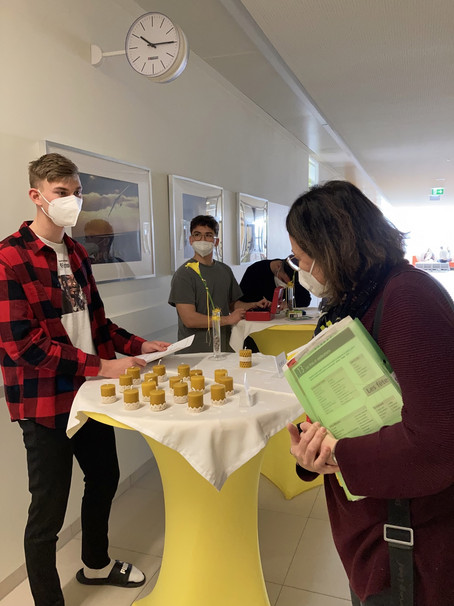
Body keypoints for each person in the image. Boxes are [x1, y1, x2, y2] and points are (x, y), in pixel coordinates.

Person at [0, 153, 171, 606]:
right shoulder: (8, 258)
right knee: (48, 511)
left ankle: (95, 565)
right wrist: (102, 366)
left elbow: (96, 323)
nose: (73, 202)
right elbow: (24, 345)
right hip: (44, 401)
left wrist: (138, 346)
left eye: (77, 193)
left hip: (89, 393)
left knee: (104, 476)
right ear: (37, 196)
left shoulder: (75, 252)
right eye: (62, 194)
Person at [285, 181, 454, 606]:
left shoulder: (407, 297)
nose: (300, 269)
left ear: (334, 248)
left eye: (303, 259)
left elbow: (438, 440)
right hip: (371, 527)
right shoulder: (353, 299)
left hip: (409, 538)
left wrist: (340, 454)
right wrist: (313, 454)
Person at [168, 215, 268, 353]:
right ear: (191, 240)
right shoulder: (184, 274)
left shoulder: (224, 270)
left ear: (216, 241)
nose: (202, 240)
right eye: (197, 235)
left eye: (208, 235)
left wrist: (253, 305)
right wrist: (227, 320)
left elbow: (232, 304)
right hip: (194, 352)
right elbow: (189, 319)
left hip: (224, 348)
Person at [239, 258, 311, 307]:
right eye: (282, 280)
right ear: (278, 266)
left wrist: (290, 303)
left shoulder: (294, 272)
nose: (285, 285)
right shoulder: (254, 272)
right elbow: (238, 304)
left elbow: (305, 299)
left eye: (290, 284)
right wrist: (256, 305)